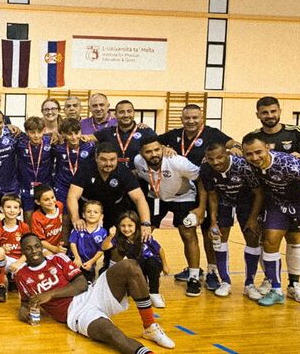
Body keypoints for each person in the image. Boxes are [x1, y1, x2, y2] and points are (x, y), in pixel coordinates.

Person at [15, 233, 182, 354]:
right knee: (112, 333)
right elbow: (25, 303)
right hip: (76, 314)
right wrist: (23, 312)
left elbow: (81, 284)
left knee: (129, 266)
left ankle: (150, 326)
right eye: (28, 249)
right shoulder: (21, 275)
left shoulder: (58, 259)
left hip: (92, 293)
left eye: (37, 246)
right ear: (22, 251)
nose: (34, 251)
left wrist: (50, 294)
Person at [158, 104, 239, 288]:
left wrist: (236, 147)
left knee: (208, 232)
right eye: (187, 118)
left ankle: (212, 270)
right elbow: (152, 141)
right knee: (187, 231)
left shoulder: (212, 133)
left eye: (195, 117)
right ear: (181, 119)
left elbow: (231, 143)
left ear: (202, 118)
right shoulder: (174, 135)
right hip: (186, 192)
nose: (191, 121)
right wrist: (163, 147)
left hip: (209, 189)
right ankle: (193, 269)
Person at [241, 132, 300, 314]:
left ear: (268, 147)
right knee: (269, 240)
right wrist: (252, 218)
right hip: (278, 203)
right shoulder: (249, 167)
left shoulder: (289, 163)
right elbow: (259, 193)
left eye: (258, 152)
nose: (254, 157)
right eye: (249, 154)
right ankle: (276, 290)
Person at [250, 96, 300, 297]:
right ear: (258, 114)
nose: (269, 116)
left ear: (279, 111)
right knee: (268, 239)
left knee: (296, 238)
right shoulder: (254, 137)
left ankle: (294, 284)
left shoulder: (296, 133)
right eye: (265, 112)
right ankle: (271, 282)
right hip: (273, 198)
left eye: (273, 111)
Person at [133, 135, 205, 297]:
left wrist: (201, 208)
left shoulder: (177, 162)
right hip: (157, 198)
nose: (154, 154)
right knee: (142, 233)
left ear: (163, 149)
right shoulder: (138, 161)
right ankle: (139, 274)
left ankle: (193, 277)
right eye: (148, 152)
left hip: (183, 196)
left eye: (157, 150)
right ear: (141, 153)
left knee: (187, 233)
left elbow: (201, 179)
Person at [200, 142, 265, 299]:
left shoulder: (244, 166)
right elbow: (213, 196)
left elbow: (259, 193)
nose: (216, 162)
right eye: (211, 159)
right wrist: (213, 222)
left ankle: (249, 284)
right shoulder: (206, 169)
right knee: (218, 239)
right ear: (206, 159)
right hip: (224, 202)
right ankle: (225, 282)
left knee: (252, 239)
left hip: (247, 203)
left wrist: (253, 219)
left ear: (227, 154)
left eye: (220, 157)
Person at [67, 143, 152, 242]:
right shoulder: (85, 169)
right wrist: (76, 219)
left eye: (112, 160)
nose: (108, 163)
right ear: (96, 158)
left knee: (117, 243)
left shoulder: (123, 171)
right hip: (90, 211)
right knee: (84, 242)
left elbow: (139, 198)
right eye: (103, 159)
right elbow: (72, 196)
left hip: (115, 210)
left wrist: (145, 223)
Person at [101, 211, 169, 307]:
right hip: (137, 265)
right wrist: (110, 236)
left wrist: (165, 265)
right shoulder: (118, 238)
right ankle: (142, 285)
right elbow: (104, 247)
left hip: (151, 264)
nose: (126, 229)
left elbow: (160, 249)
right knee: (134, 285)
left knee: (151, 262)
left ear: (136, 226)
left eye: (130, 226)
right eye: (123, 226)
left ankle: (154, 293)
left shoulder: (144, 236)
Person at [93, 100, 155, 171]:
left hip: (138, 179)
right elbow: (86, 138)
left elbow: (159, 149)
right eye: (121, 112)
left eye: (129, 111)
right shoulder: (107, 132)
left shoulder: (146, 132)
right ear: (115, 115)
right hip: (112, 178)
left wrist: (166, 148)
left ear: (134, 113)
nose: (126, 115)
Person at [15, 116, 54, 220]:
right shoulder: (20, 144)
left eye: (39, 132)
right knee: (28, 215)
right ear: (27, 132)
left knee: (45, 215)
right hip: (26, 186)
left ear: (44, 130)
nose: (36, 136)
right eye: (32, 132)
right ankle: (30, 236)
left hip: (45, 185)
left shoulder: (51, 142)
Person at [51, 117, 94, 206]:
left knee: (84, 212)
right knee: (64, 214)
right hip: (63, 185)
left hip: (83, 185)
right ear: (63, 134)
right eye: (70, 134)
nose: (74, 137)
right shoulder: (58, 148)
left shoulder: (90, 147)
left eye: (76, 133)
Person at [0, 193, 30, 301]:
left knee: (25, 287)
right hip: (4, 261)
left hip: (20, 260)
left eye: (15, 207)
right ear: (2, 209)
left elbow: (29, 249)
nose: (12, 210)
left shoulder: (24, 227)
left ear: (20, 210)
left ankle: (13, 280)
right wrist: (0, 248)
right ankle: (1, 286)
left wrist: (19, 262)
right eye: (8, 207)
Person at [68, 200, 108, 283]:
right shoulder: (78, 228)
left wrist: (91, 262)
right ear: (83, 214)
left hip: (91, 262)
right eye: (89, 211)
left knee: (88, 281)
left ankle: (95, 280)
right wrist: (77, 258)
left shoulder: (103, 232)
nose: (92, 214)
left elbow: (101, 249)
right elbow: (73, 243)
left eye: (95, 212)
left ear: (101, 216)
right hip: (76, 260)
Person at [30, 184, 65, 255]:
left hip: (58, 245)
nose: (51, 201)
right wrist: (55, 249)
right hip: (44, 247)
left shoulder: (60, 205)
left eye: (53, 197)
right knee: (50, 257)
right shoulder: (36, 216)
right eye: (46, 200)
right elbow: (40, 240)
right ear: (38, 202)